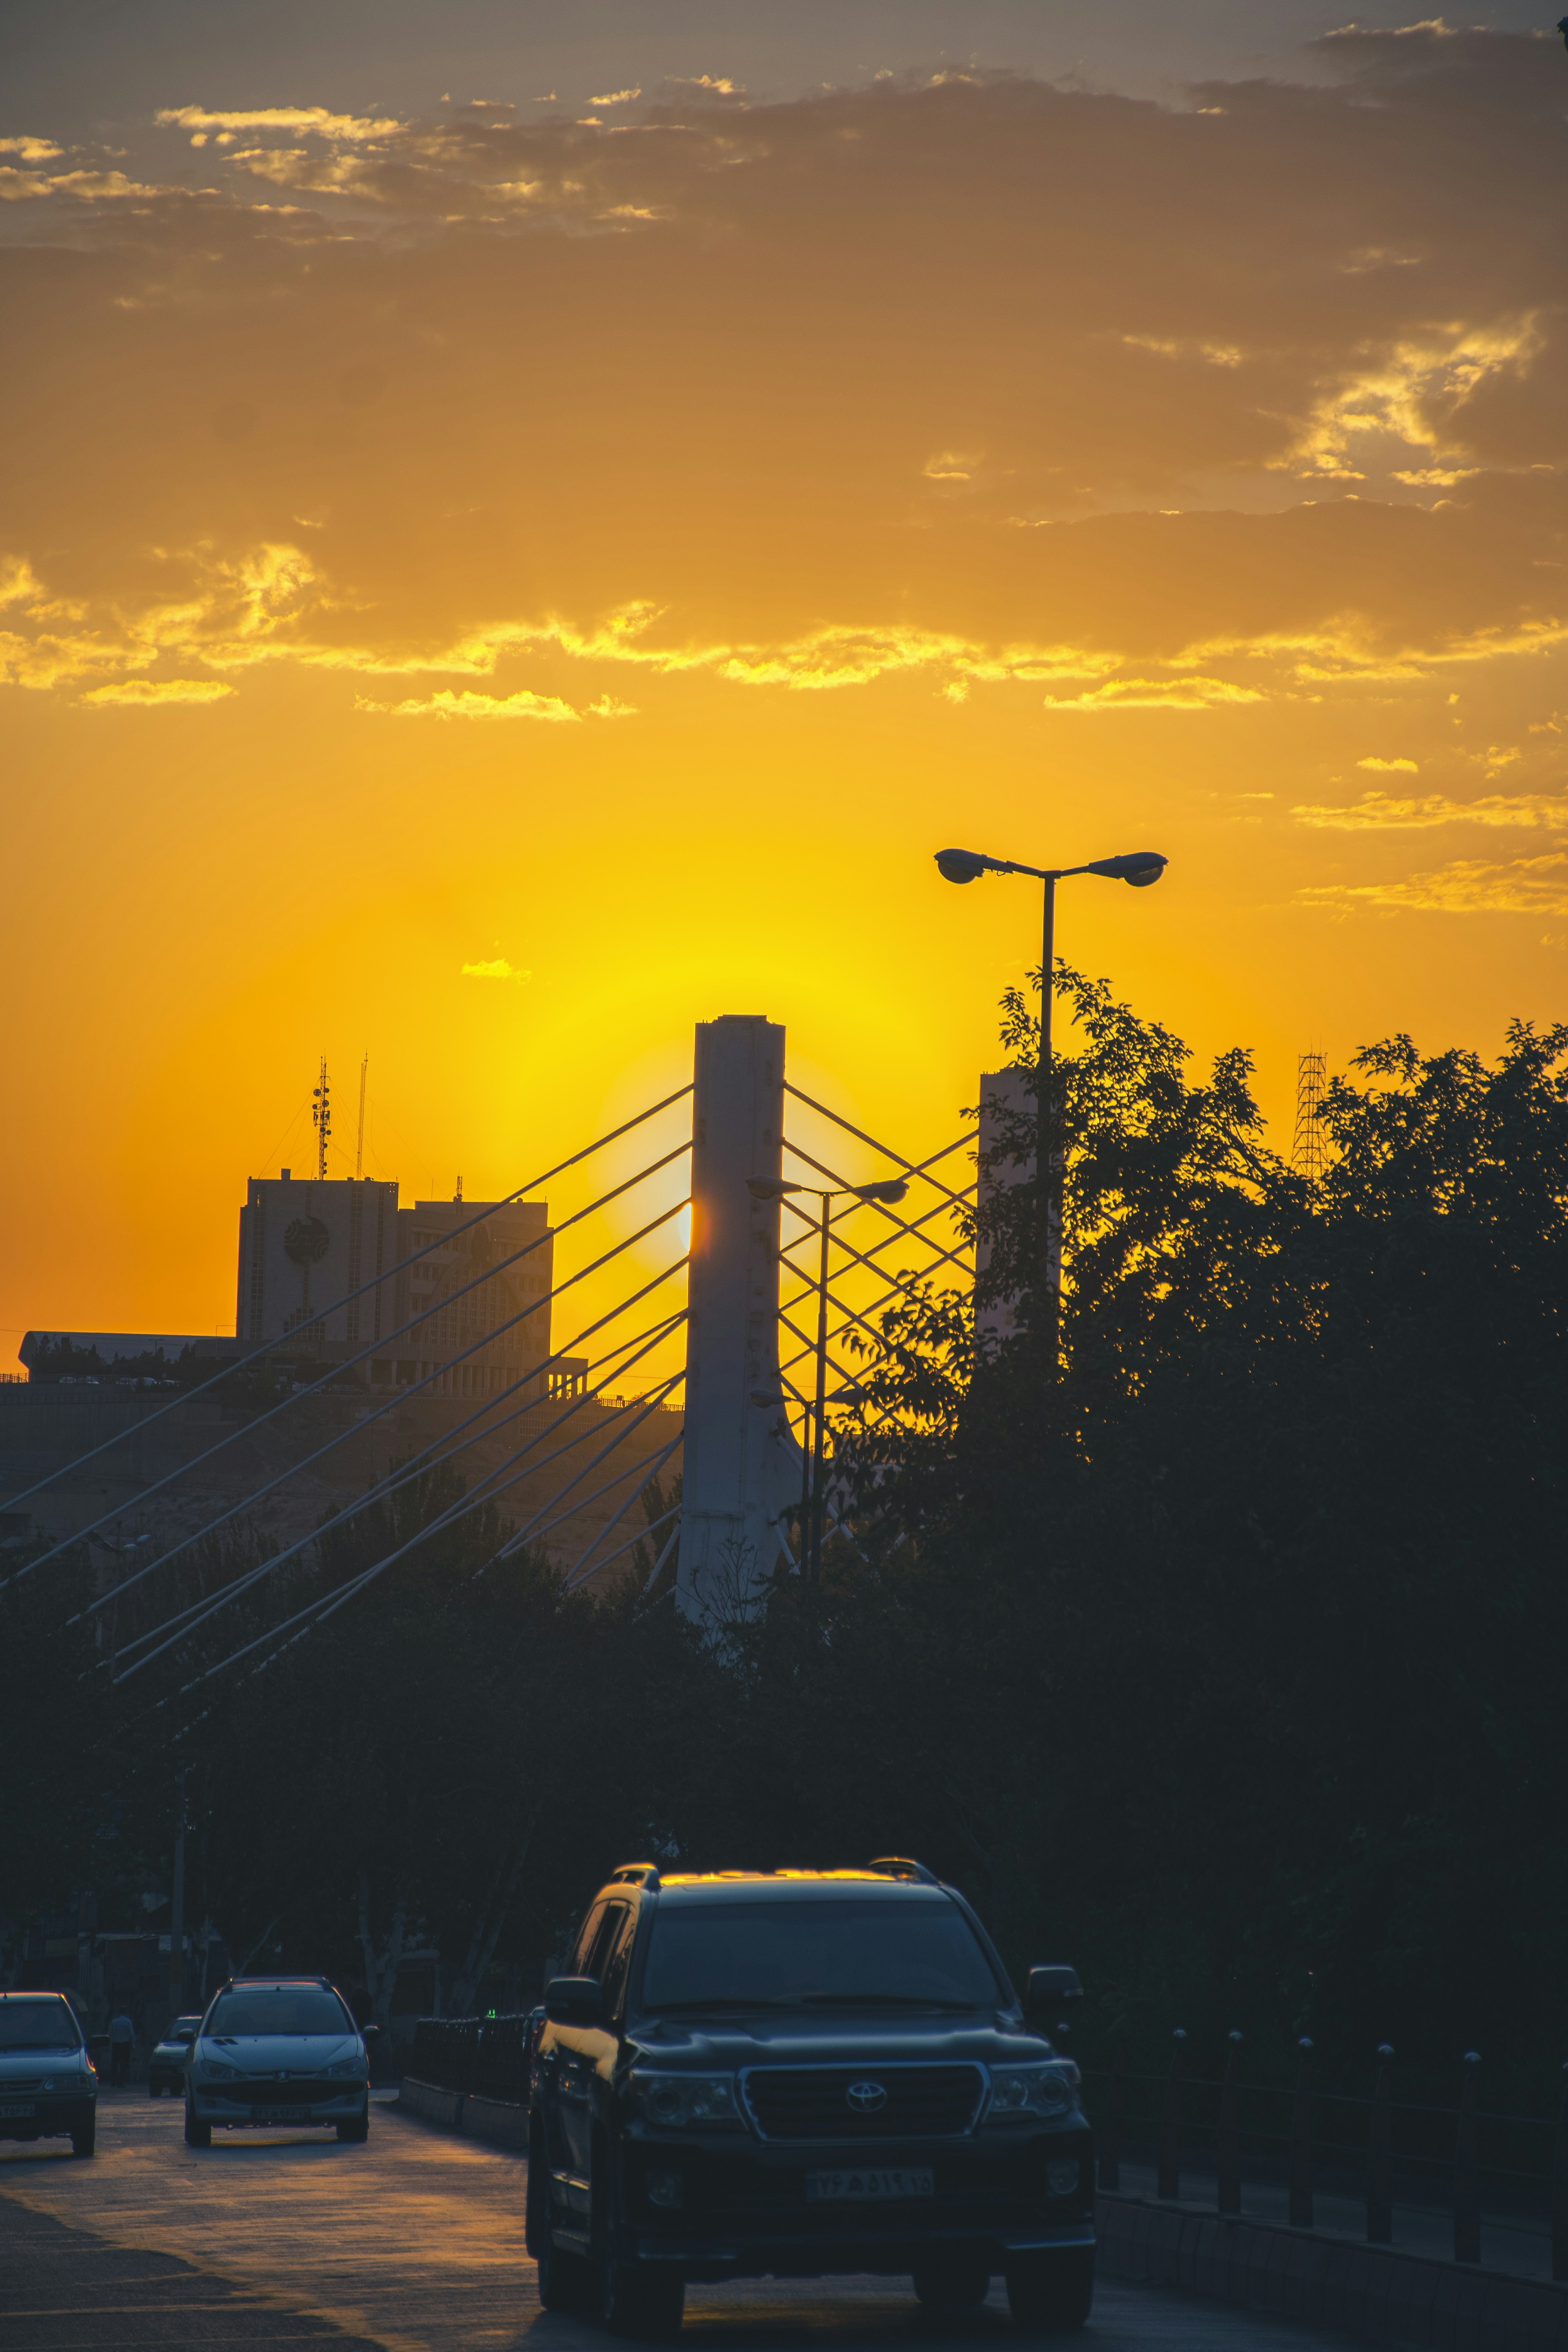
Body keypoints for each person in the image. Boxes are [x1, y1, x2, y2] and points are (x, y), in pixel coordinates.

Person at [108, 2010, 134, 2086]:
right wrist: (133, 2045)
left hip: (116, 2044)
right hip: (125, 2045)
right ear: (126, 2014)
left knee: (115, 2063)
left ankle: (113, 2082)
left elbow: (110, 2034)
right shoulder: (128, 2022)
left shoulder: (114, 2022)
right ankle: (121, 2082)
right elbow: (131, 2034)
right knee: (124, 2064)